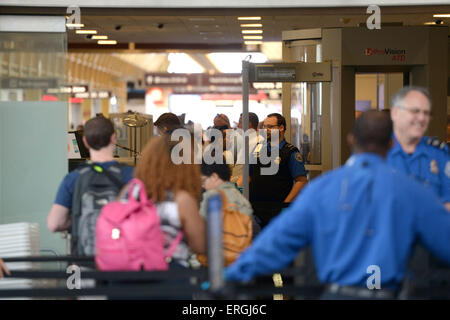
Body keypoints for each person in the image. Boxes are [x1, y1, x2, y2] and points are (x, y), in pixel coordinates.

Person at [225, 110, 450, 299]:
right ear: (391, 144)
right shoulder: (414, 192)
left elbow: (275, 243)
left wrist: (231, 275)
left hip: (337, 293)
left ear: (351, 140)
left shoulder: (322, 189)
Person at [47, 116, 134, 234]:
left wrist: (79, 220)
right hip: (120, 250)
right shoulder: (131, 175)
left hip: (85, 251)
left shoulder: (73, 178)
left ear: (85, 142)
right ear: (113, 138)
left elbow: (54, 223)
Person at [134, 134, 206, 268]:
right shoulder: (181, 200)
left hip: (131, 273)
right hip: (171, 278)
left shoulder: (131, 191)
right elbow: (200, 246)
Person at [387, 86, 450, 211]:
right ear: (395, 113)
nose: (422, 118)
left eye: (426, 113)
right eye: (415, 111)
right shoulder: (377, 152)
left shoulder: (438, 154)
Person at [248, 113, 308, 228]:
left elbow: (301, 181)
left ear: (281, 128)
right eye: (264, 127)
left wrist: (286, 205)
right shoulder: (257, 149)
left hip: (277, 211)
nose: (266, 130)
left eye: (270, 127)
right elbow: (248, 175)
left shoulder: (290, 152)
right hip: (255, 210)